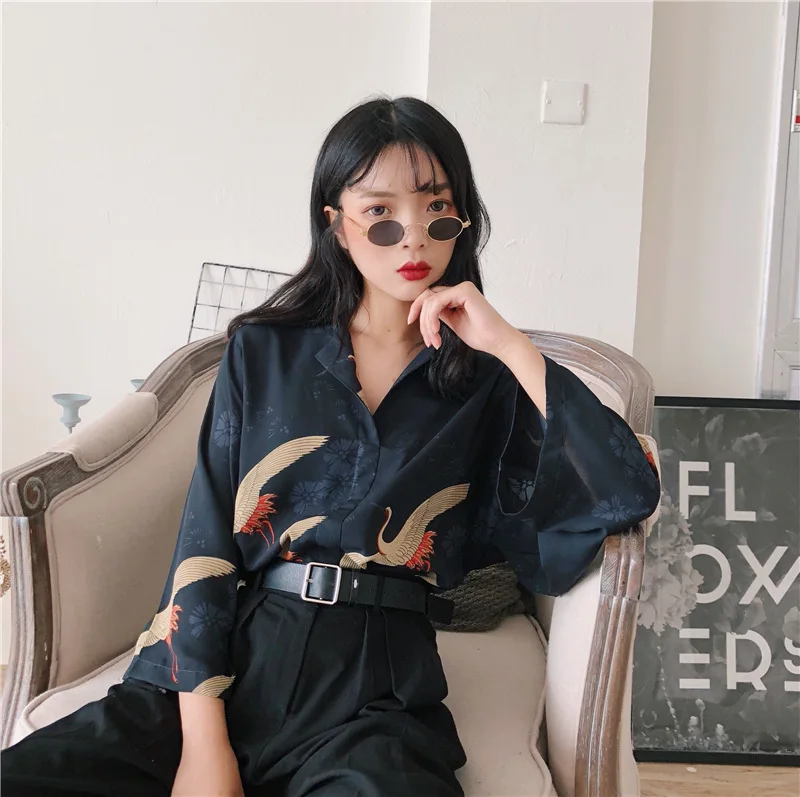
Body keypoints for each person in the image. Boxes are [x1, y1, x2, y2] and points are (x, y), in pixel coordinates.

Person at [2, 96, 660, 797]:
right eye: (381, 213)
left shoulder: (485, 383)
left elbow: (623, 490)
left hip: (376, 691)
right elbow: (205, 543)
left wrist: (510, 345)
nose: (413, 240)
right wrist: (204, 744)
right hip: (234, 659)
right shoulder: (264, 352)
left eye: (437, 208)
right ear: (336, 224)